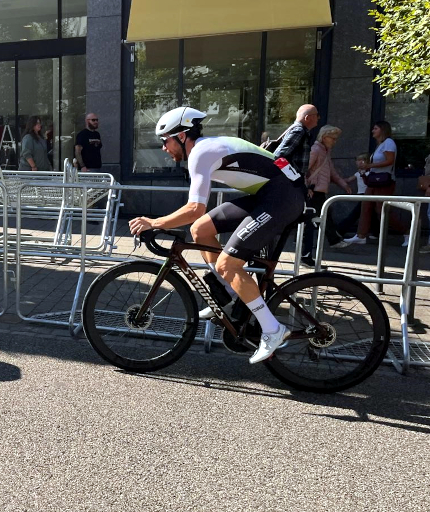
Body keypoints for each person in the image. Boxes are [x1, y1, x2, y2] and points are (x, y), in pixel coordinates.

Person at [129, 107, 306, 364]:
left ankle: (273, 330)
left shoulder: (200, 153)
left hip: (283, 198)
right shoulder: (204, 148)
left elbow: (194, 208)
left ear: (181, 136)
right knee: (200, 229)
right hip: (269, 194)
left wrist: (154, 222)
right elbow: (198, 217)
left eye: (165, 141)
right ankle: (229, 296)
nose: (163, 148)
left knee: (227, 263)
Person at [342, 121, 409, 247]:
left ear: (382, 130)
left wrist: (370, 165)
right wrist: (367, 169)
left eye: (375, 128)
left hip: (384, 182)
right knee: (365, 206)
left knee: (382, 210)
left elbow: (390, 161)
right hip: (374, 181)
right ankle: (361, 235)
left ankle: (406, 232)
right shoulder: (380, 145)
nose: (372, 131)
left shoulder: (389, 143)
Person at [300, 126, 353, 266]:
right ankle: (307, 256)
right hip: (313, 191)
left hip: (318, 191)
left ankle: (332, 240)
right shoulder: (316, 150)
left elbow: (332, 173)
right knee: (312, 222)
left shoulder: (325, 151)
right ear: (324, 137)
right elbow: (304, 169)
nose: (335, 141)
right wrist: (306, 188)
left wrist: (344, 184)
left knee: (323, 217)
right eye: (333, 138)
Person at [335, 153, 374, 236]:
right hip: (361, 195)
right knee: (369, 213)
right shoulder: (357, 173)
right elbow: (349, 179)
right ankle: (376, 232)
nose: (358, 162)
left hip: (366, 195)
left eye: (361, 160)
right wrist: (338, 180)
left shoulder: (370, 173)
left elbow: (367, 182)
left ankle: (341, 229)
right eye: (357, 160)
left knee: (356, 214)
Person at [273, 104, 319, 173]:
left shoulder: (301, 131)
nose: (319, 118)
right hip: (291, 179)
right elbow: (278, 156)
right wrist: (291, 175)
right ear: (307, 118)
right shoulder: (298, 131)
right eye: (317, 115)